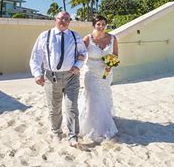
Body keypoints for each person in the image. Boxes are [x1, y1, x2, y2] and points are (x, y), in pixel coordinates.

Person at [29, 11, 87, 147]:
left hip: (71, 76)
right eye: (61, 18)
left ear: (69, 21)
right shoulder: (45, 36)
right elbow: (36, 56)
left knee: (72, 107)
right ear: (55, 19)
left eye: (67, 19)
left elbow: (83, 53)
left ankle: (73, 136)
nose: (64, 21)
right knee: (54, 108)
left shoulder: (75, 36)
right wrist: (37, 73)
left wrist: (78, 65)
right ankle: (56, 132)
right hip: (51, 76)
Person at [78, 15, 119, 143]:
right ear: (94, 25)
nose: (101, 27)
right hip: (90, 72)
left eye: (103, 24)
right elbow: (79, 54)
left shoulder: (113, 38)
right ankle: (94, 128)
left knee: (104, 96)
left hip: (106, 73)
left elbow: (116, 55)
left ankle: (104, 121)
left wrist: (111, 64)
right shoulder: (87, 39)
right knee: (93, 97)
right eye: (98, 24)